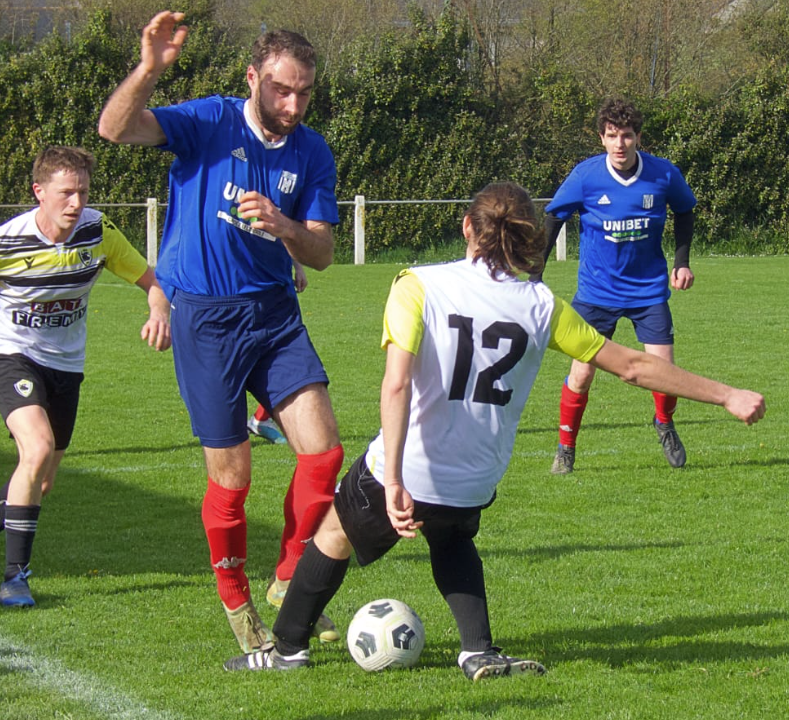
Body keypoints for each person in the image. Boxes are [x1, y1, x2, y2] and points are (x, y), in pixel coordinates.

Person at [223, 182, 765, 678]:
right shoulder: (542, 306)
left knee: (333, 532)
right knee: (452, 536)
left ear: (467, 227)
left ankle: (286, 649)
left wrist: (393, 479)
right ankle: (477, 649)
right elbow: (633, 366)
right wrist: (727, 394)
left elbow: (396, 385)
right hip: (476, 478)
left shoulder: (420, 284)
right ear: (527, 237)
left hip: (410, 467)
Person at [98, 11, 344, 652]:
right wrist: (149, 69)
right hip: (206, 319)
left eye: (304, 93)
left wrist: (284, 226)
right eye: (281, 90)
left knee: (324, 455)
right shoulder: (209, 120)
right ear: (252, 78)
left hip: (275, 314)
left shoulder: (312, 151)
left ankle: (288, 579)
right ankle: (237, 602)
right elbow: (115, 128)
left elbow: (321, 253)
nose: (293, 105)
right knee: (233, 477)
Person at [0, 146, 171, 607]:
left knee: (41, 480)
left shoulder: (98, 231)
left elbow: (151, 280)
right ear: (39, 191)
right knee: (37, 447)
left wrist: (158, 307)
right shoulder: (2, 244)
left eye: (83, 192)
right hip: (9, 353)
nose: (76, 203)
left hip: (66, 363)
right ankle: (15, 578)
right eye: (66, 193)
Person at [540, 98, 698, 475]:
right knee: (582, 375)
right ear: (601, 138)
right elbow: (553, 217)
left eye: (627, 135)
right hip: (597, 294)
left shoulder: (663, 174)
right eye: (612, 136)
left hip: (648, 291)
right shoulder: (586, 176)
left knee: (666, 375)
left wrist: (681, 262)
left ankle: (664, 423)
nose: (620, 144)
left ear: (638, 137)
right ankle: (565, 448)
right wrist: (534, 273)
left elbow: (685, 211)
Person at [247, 259, 307, 445]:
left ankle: (261, 418)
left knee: (286, 361)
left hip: (278, 290)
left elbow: (286, 240)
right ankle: (247, 424)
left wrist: (298, 266)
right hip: (247, 292)